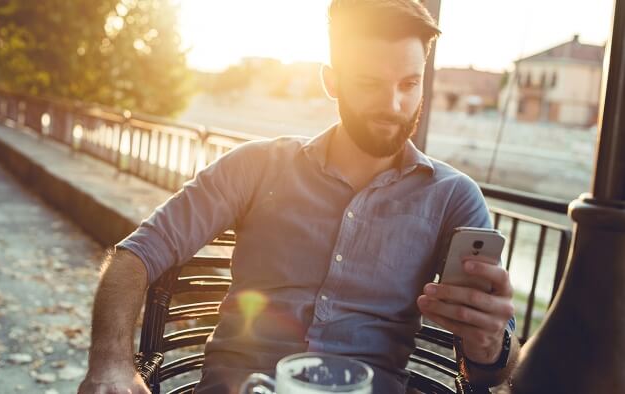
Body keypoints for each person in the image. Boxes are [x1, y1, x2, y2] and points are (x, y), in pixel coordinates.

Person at [78, 1, 520, 393]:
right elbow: (135, 256)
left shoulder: (454, 197)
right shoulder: (255, 165)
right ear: (332, 81)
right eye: (370, 82)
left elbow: (489, 374)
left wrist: (490, 344)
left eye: (409, 83)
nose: (393, 103)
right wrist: (110, 362)